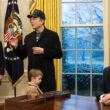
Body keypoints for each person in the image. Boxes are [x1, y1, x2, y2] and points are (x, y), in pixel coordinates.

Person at [9, 9, 63, 92]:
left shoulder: (52, 35)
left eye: (34, 19)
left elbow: (59, 54)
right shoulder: (28, 37)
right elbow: (23, 55)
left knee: (49, 103)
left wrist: (44, 51)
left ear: (42, 21)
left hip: (47, 77)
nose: (31, 21)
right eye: (30, 19)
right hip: (33, 78)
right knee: (33, 102)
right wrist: (16, 46)